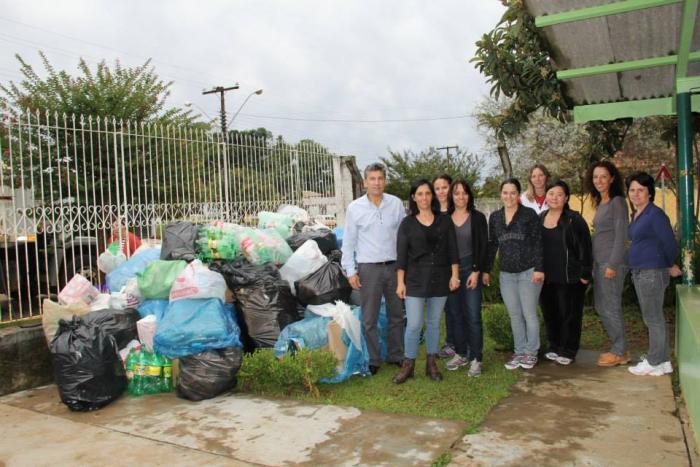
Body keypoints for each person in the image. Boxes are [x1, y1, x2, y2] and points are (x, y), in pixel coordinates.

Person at [341, 162, 406, 375]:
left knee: (397, 314)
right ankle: (374, 359)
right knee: (369, 317)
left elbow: (404, 237)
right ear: (365, 182)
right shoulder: (354, 208)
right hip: (368, 268)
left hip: (394, 266)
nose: (376, 183)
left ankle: (396, 355)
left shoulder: (396, 204)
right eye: (372, 179)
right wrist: (350, 271)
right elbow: (348, 242)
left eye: (380, 179)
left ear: (385, 181)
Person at [393, 179, 460, 384]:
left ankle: (431, 363)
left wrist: (455, 275)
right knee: (413, 325)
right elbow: (401, 256)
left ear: (432, 196)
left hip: (440, 279)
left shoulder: (444, 221)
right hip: (414, 280)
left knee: (433, 324)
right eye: (420, 194)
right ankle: (408, 365)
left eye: (427, 193)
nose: (424, 197)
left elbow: (453, 250)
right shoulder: (407, 224)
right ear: (413, 197)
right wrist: (400, 283)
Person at [626, 172, 682, 376]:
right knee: (652, 316)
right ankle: (663, 361)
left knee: (653, 318)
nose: (636, 194)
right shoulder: (637, 213)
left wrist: (667, 264)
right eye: (632, 190)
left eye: (641, 190)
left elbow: (669, 243)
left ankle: (655, 359)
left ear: (650, 192)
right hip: (641, 271)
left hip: (651, 272)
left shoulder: (655, 214)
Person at [486, 178, 544, 370]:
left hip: (528, 272)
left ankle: (531, 352)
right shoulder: (495, 217)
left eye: (512, 193)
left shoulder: (529, 215)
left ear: (518, 195)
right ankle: (519, 352)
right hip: (506, 275)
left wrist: (539, 269)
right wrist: (486, 270)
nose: (508, 196)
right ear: (500, 194)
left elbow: (538, 243)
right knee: (514, 315)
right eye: (505, 192)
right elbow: (492, 244)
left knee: (529, 314)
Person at [539, 180, 592, 366]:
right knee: (550, 314)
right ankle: (554, 345)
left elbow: (585, 247)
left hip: (570, 278)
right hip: (546, 278)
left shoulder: (574, 219)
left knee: (569, 315)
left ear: (566, 198)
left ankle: (569, 349)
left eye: (559, 194)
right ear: (546, 196)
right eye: (551, 193)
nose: (555, 197)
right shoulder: (540, 217)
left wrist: (585, 273)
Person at [586, 160, 630, 367]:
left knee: (610, 307)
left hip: (610, 264)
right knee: (602, 306)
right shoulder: (602, 202)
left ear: (612, 178)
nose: (599, 180)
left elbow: (622, 236)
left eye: (604, 176)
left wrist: (613, 264)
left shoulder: (617, 202)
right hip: (600, 263)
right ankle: (618, 347)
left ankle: (620, 351)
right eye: (596, 177)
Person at [444, 179, 488, 377]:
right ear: (451, 196)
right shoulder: (444, 218)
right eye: (456, 193)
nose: (460, 197)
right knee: (455, 314)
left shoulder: (477, 218)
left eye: (464, 193)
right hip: (451, 274)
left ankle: (476, 358)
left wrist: (476, 271)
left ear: (469, 195)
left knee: (472, 315)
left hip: (471, 270)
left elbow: (483, 247)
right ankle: (461, 353)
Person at [433, 174, 457, 359]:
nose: (441, 191)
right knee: (447, 307)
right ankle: (451, 343)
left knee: (461, 306)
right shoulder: (431, 212)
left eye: (445, 187)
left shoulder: (458, 209)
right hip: (440, 268)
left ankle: (462, 342)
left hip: (459, 264)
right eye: (437, 188)